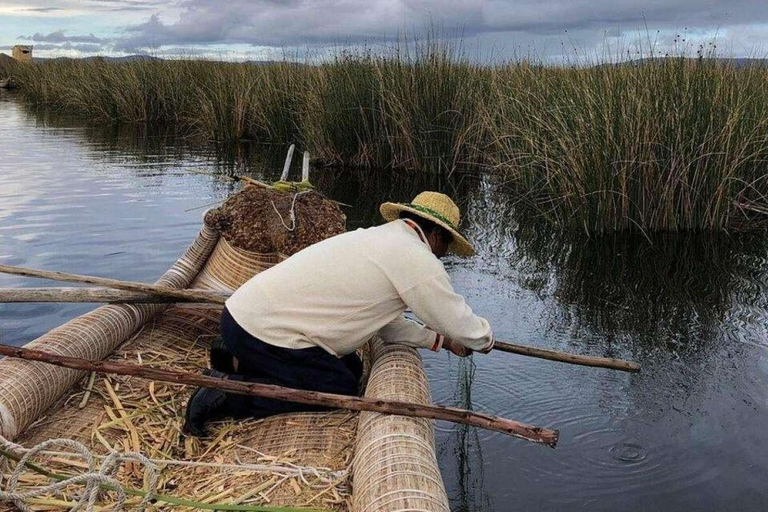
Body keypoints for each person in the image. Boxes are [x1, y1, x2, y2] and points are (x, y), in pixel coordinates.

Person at [184, 191, 494, 437]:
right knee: (335, 388)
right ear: (437, 235)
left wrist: (441, 341)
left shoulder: (380, 238)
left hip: (242, 318)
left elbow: (386, 325)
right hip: (261, 332)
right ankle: (224, 394)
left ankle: (236, 357)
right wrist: (484, 339)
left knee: (351, 367)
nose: (446, 253)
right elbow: (458, 321)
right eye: (448, 244)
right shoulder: (416, 258)